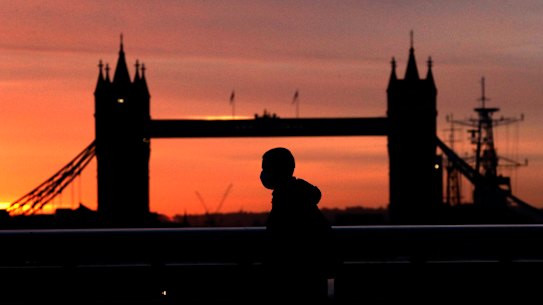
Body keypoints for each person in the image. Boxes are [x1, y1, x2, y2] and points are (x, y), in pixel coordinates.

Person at [260, 147, 338, 304]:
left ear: (275, 170)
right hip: (313, 278)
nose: (263, 173)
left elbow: (279, 241)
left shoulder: (286, 201)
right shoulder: (302, 197)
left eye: (265, 168)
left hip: (295, 281)